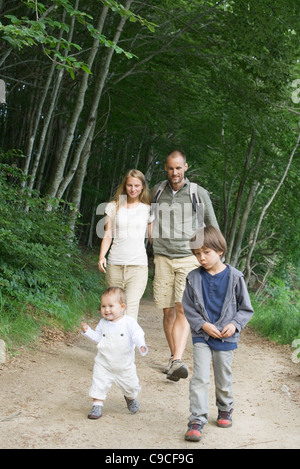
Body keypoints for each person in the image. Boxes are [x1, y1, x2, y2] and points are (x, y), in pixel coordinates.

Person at [150, 150, 219, 382]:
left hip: (188, 257)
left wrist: (216, 259)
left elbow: (212, 225)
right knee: (167, 310)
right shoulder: (157, 191)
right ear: (166, 169)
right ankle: (174, 359)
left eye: (178, 168)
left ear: (185, 167)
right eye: (170, 168)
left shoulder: (197, 193)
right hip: (162, 257)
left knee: (182, 308)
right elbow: (145, 217)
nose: (174, 172)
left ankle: (178, 359)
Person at [182, 226, 254, 441]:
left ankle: (225, 407)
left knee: (223, 377)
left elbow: (245, 308)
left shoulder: (235, 277)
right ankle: (197, 418)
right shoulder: (193, 278)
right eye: (197, 254)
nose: (201, 258)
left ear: (220, 250)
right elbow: (188, 307)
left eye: (206, 252)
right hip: (202, 336)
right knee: (200, 378)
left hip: (226, 336)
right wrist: (203, 325)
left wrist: (234, 324)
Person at [81, 287, 148, 419]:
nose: (106, 310)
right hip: (104, 363)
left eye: (111, 306)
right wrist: (88, 331)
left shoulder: (129, 322)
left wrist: (141, 345)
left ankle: (130, 398)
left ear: (122, 307)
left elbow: (137, 334)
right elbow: (98, 338)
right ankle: (97, 405)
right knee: (98, 383)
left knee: (131, 386)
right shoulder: (102, 323)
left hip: (124, 365)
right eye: (103, 306)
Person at [98, 169, 151, 322]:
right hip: (115, 264)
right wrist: (102, 256)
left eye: (136, 185)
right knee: (113, 309)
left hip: (138, 267)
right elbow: (108, 234)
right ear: (124, 186)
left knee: (130, 309)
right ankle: (111, 344)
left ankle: (128, 346)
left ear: (142, 187)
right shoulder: (113, 206)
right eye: (129, 185)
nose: (133, 189)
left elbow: (154, 238)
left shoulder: (147, 209)